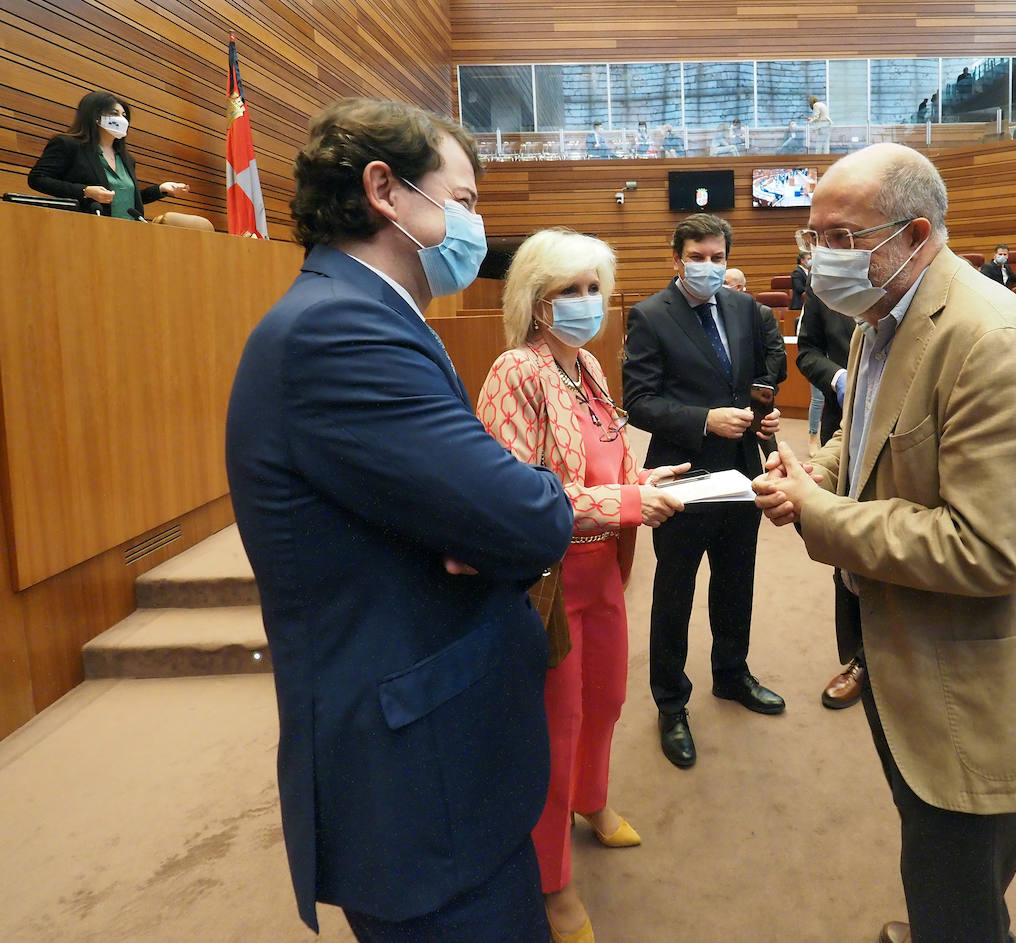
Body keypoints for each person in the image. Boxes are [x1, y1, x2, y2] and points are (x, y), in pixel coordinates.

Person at [225, 98, 575, 941]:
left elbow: (481, 508)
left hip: (445, 748)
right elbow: (526, 519)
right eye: (461, 199)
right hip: (421, 786)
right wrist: (514, 509)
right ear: (385, 190)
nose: (474, 224)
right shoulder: (341, 331)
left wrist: (477, 522)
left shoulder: (365, 315)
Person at [752, 142, 1016, 943]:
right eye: (813, 239)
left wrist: (817, 512)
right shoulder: (877, 314)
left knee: (957, 883)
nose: (818, 260)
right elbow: (869, 430)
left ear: (914, 234)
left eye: (839, 237)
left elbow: (987, 548)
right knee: (941, 855)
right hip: (903, 642)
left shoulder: (994, 342)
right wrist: (822, 468)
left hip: (970, 668)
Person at [474, 229, 688, 943]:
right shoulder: (517, 371)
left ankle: (592, 802)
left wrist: (641, 481)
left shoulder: (589, 367)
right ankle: (553, 881)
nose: (588, 302)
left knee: (607, 701)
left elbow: (609, 460)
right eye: (571, 290)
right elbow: (519, 496)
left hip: (605, 571)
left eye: (595, 287)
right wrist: (626, 503)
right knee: (557, 728)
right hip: (551, 582)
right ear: (538, 303)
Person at [622, 213, 788, 770]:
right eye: (698, 256)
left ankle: (731, 673)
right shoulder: (649, 315)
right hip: (680, 474)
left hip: (741, 471)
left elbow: (749, 385)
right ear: (677, 258)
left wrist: (759, 421)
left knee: (736, 580)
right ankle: (671, 702)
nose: (710, 267)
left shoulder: (746, 309)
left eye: (718, 257)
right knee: (674, 591)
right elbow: (639, 402)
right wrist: (704, 419)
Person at [794, 289, 864, 708]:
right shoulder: (824, 293)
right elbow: (807, 353)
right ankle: (860, 658)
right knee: (848, 546)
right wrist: (837, 379)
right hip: (846, 424)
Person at [28, 90, 190, 220]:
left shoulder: (126, 158)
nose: (122, 120)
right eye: (115, 113)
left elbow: (126, 200)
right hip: (88, 232)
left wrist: (161, 189)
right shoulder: (68, 145)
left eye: (124, 115)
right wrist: (85, 191)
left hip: (132, 234)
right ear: (96, 117)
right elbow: (37, 179)